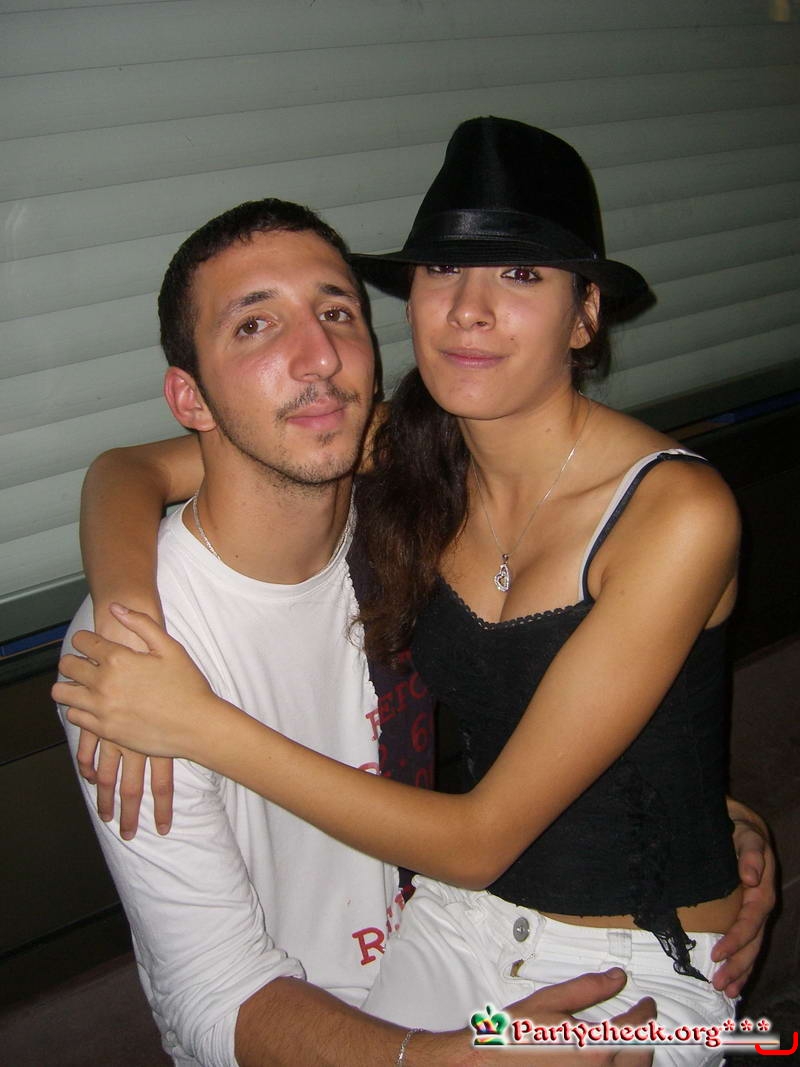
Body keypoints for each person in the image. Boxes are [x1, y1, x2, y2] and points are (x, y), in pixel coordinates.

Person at [57, 122, 775, 1057]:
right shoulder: (408, 450)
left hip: (635, 967)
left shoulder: (675, 512)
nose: (470, 309)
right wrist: (129, 627)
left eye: (521, 274)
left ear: (585, 314)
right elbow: (126, 470)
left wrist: (190, 720)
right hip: (459, 920)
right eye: (442, 270)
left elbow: (482, 833)